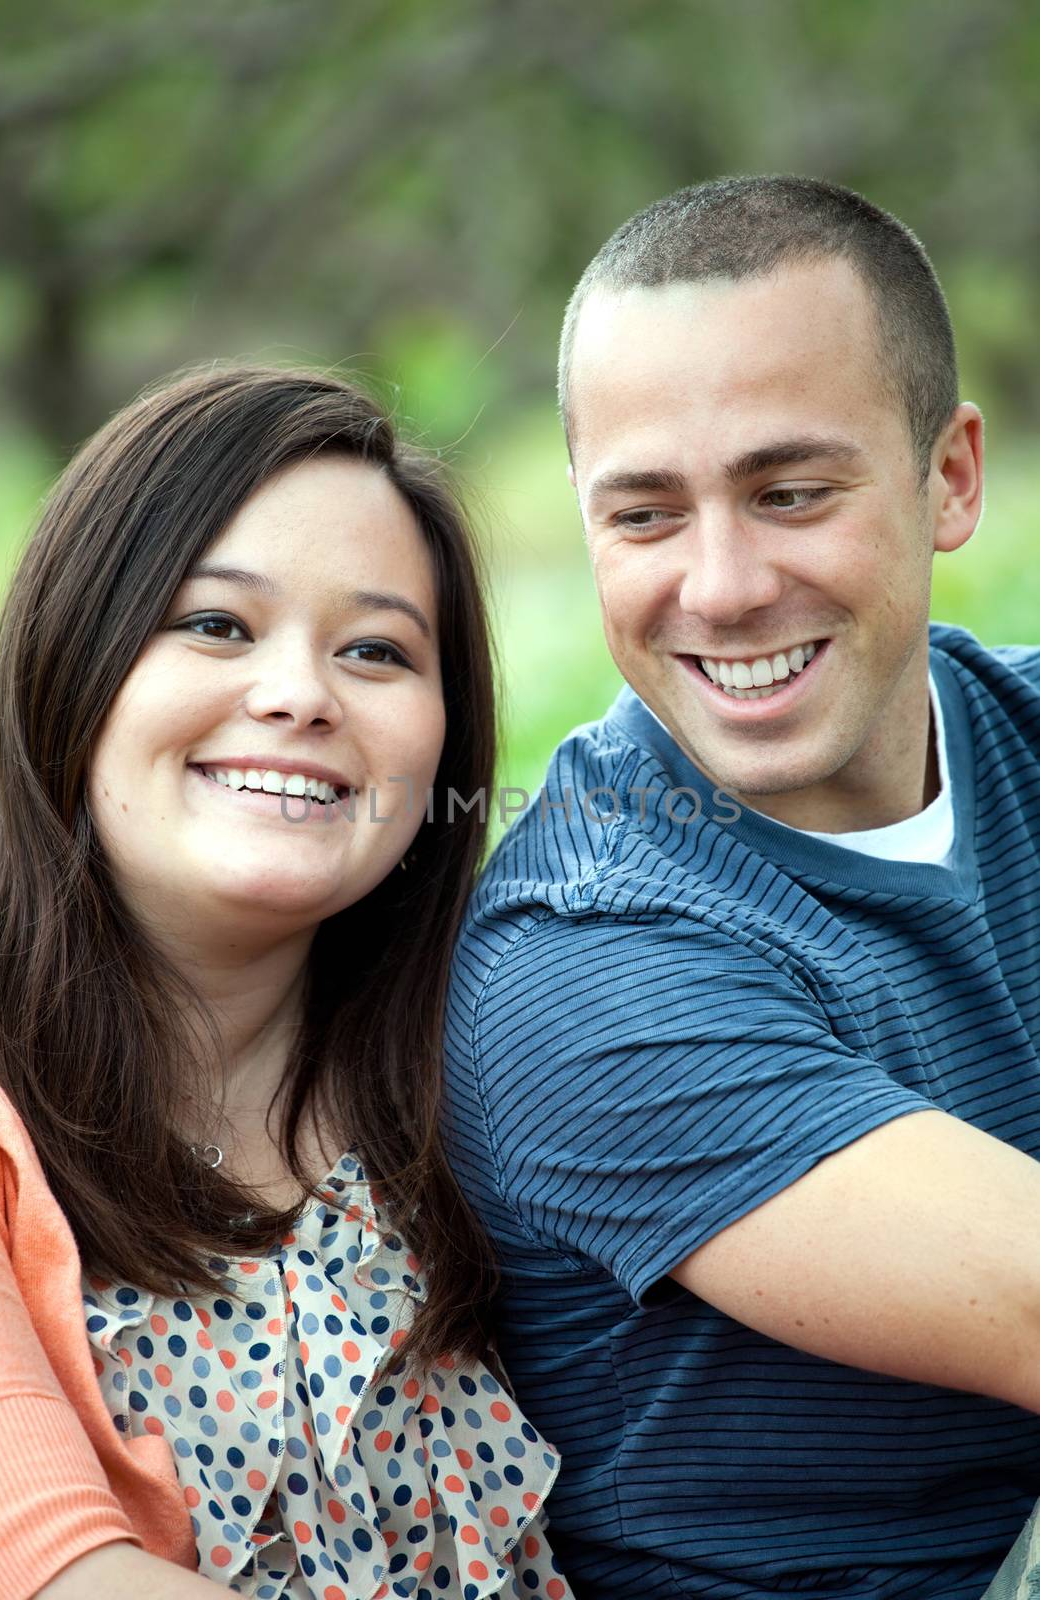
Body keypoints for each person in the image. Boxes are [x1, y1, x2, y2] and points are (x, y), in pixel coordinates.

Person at [441, 175, 1040, 1598]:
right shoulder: (575, 961)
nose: (716, 586)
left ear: (945, 477)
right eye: (643, 515)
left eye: (788, 492)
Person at [0, 365, 572, 1600]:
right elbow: (46, 1571)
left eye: (374, 649)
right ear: (73, 655)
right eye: (216, 625)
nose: (299, 694)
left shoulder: (491, 1058)